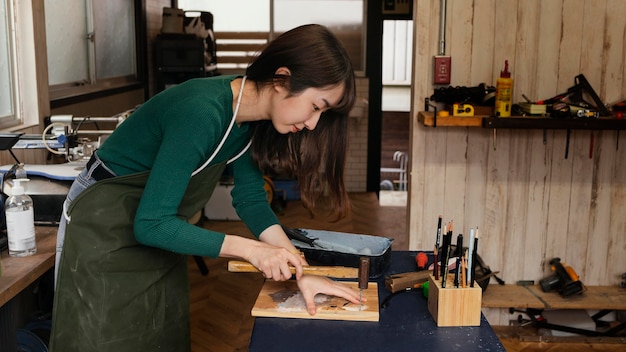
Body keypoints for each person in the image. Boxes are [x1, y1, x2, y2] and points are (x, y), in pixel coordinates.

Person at [50, 24, 360, 352]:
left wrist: (302, 270)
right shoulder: (202, 113)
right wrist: (252, 250)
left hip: (160, 233)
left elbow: (251, 199)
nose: (313, 124)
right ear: (282, 79)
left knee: (160, 337)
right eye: (316, 106)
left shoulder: (251, 121)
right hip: (104, 226)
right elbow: (151, 224)